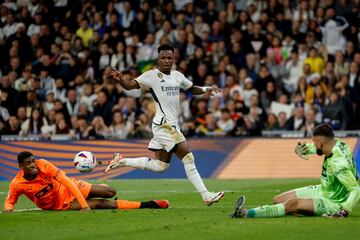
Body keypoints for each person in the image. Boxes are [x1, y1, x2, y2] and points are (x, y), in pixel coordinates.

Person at [105, 44, 224, 206]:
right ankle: (206, 195)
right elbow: (130, 86)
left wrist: (206, 89)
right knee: (188, 157)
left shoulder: (177, 76)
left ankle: (122, 161)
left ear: (174, 59)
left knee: (161, 166)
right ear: (158, 60)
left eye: (170, 58)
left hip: (171, 125)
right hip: (164, 125)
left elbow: (192, 88)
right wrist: (121, 80)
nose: (167, 60)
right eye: (163, 58)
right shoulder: (152, 76)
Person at [230, 123, 360, 218]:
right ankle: (307, 210)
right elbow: (317, 149)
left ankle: (245, 213)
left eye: (314, 142)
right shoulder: (337, 143)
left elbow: (356, 189)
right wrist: (302, 149)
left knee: (292, 204)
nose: (313, 144)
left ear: (320, 141)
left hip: (333, 202)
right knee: (278, 199)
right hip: (324, 190)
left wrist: (344, 211)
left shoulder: (338, 164)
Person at [3, 151, 169, 212]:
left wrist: (83, 205)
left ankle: (97, 189)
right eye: (28, 163)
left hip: (70, 186)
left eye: (33, 161)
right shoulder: (17, 184)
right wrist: (8, 209)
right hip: (59, 204)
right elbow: (10, 202)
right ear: (21, 166)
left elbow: (68, 183)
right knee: (101, 204)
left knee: (111, 192)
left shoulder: (44, 164)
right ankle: (150, 204)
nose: (33, 165)